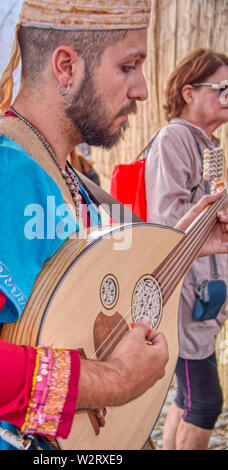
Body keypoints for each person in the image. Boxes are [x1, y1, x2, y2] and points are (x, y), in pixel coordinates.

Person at [0, 1, 227, 451]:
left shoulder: (71, 180)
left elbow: (105, 282)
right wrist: (114, 379)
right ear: (66, 66)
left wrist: (188, 238)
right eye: (128, 66)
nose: (143, 89)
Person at [145, 49, 228, 450]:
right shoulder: (175, 138)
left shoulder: (207, 143)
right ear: (190, 92)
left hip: (203, 297)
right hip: (184, 293)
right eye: (223, 88)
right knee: (207, 402)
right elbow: (168, 220)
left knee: (188, 397)